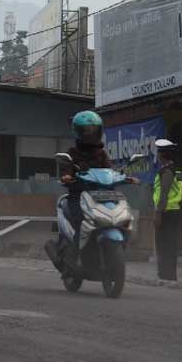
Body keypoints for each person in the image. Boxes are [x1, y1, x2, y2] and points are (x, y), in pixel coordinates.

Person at [45, 110, 112, 271]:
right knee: (82, 223)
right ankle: (74, 258)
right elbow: (66, 170)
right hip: (78, 197)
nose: (90, 134)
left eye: (93, 130)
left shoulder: (102, 154)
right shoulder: (72, 154)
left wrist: (123, 176)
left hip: (100, 197)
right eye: (86, 130)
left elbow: (110, 171)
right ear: (78, 132)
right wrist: (67, 176)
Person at [153, 139, 182, 282]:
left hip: (166, 212)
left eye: (159, 152)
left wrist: (158, 214)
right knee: (170, 244)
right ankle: (170, 275)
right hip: (174, 210)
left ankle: (165, 275)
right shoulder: (177, 169)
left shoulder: (167, 171)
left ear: (162, 155)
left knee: (163, 244)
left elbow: (164, 193)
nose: (157, 155)